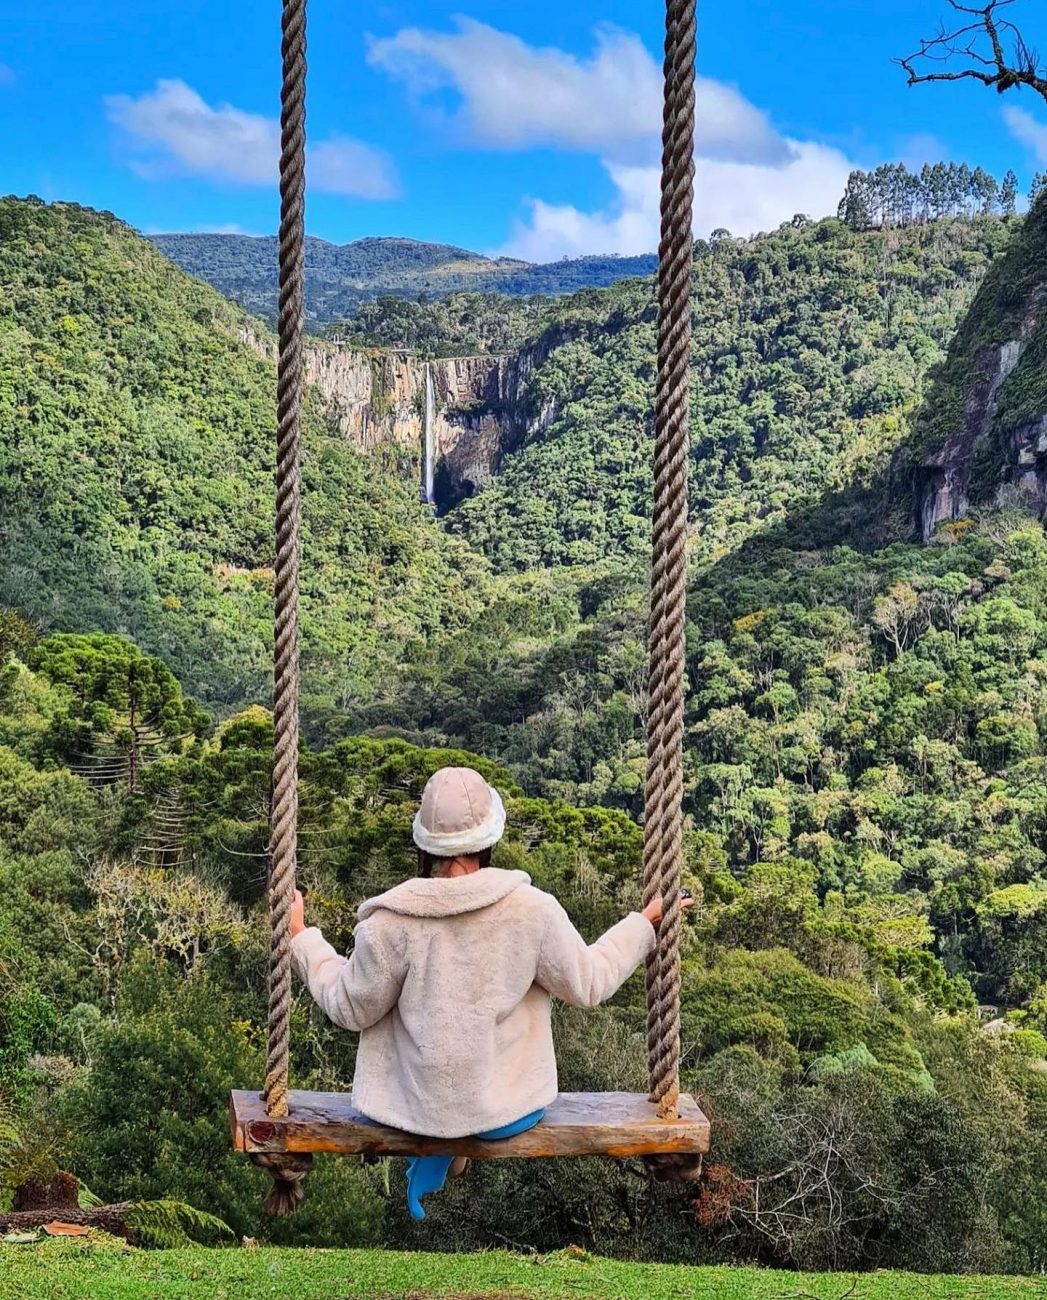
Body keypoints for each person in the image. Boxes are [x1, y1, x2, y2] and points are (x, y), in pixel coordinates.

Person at [289, 765, 691, 1220]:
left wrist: (302, 936)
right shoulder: (532, 911)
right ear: (489, 839)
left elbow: (348, 1006)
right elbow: (590, 983)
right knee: (483, 1102)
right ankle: (455, 1138)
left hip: (411, 1113)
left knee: (434, 1107)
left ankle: (444, 1141)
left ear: (425, 844)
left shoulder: (390, 922)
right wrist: (645, 923)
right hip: (506, 1113)